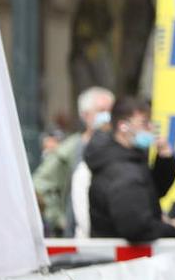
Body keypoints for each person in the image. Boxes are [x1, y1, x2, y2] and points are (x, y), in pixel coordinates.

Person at [84, 96, 175, 242]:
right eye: (145, 123)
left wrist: (164, 161)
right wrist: (169, 229)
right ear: (123, 126)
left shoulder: (130, 158)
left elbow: (150, 192)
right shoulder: (122, 170)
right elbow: (137, 227)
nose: (151, 129)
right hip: (123, 261)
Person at [32, 86, 114, 236]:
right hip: (76, 235)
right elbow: (40, 185)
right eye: (101, 111)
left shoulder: (119, 147)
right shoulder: (70, 150)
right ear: (85, 115)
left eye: (111, 111)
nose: (107, 116)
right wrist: (59, 219)